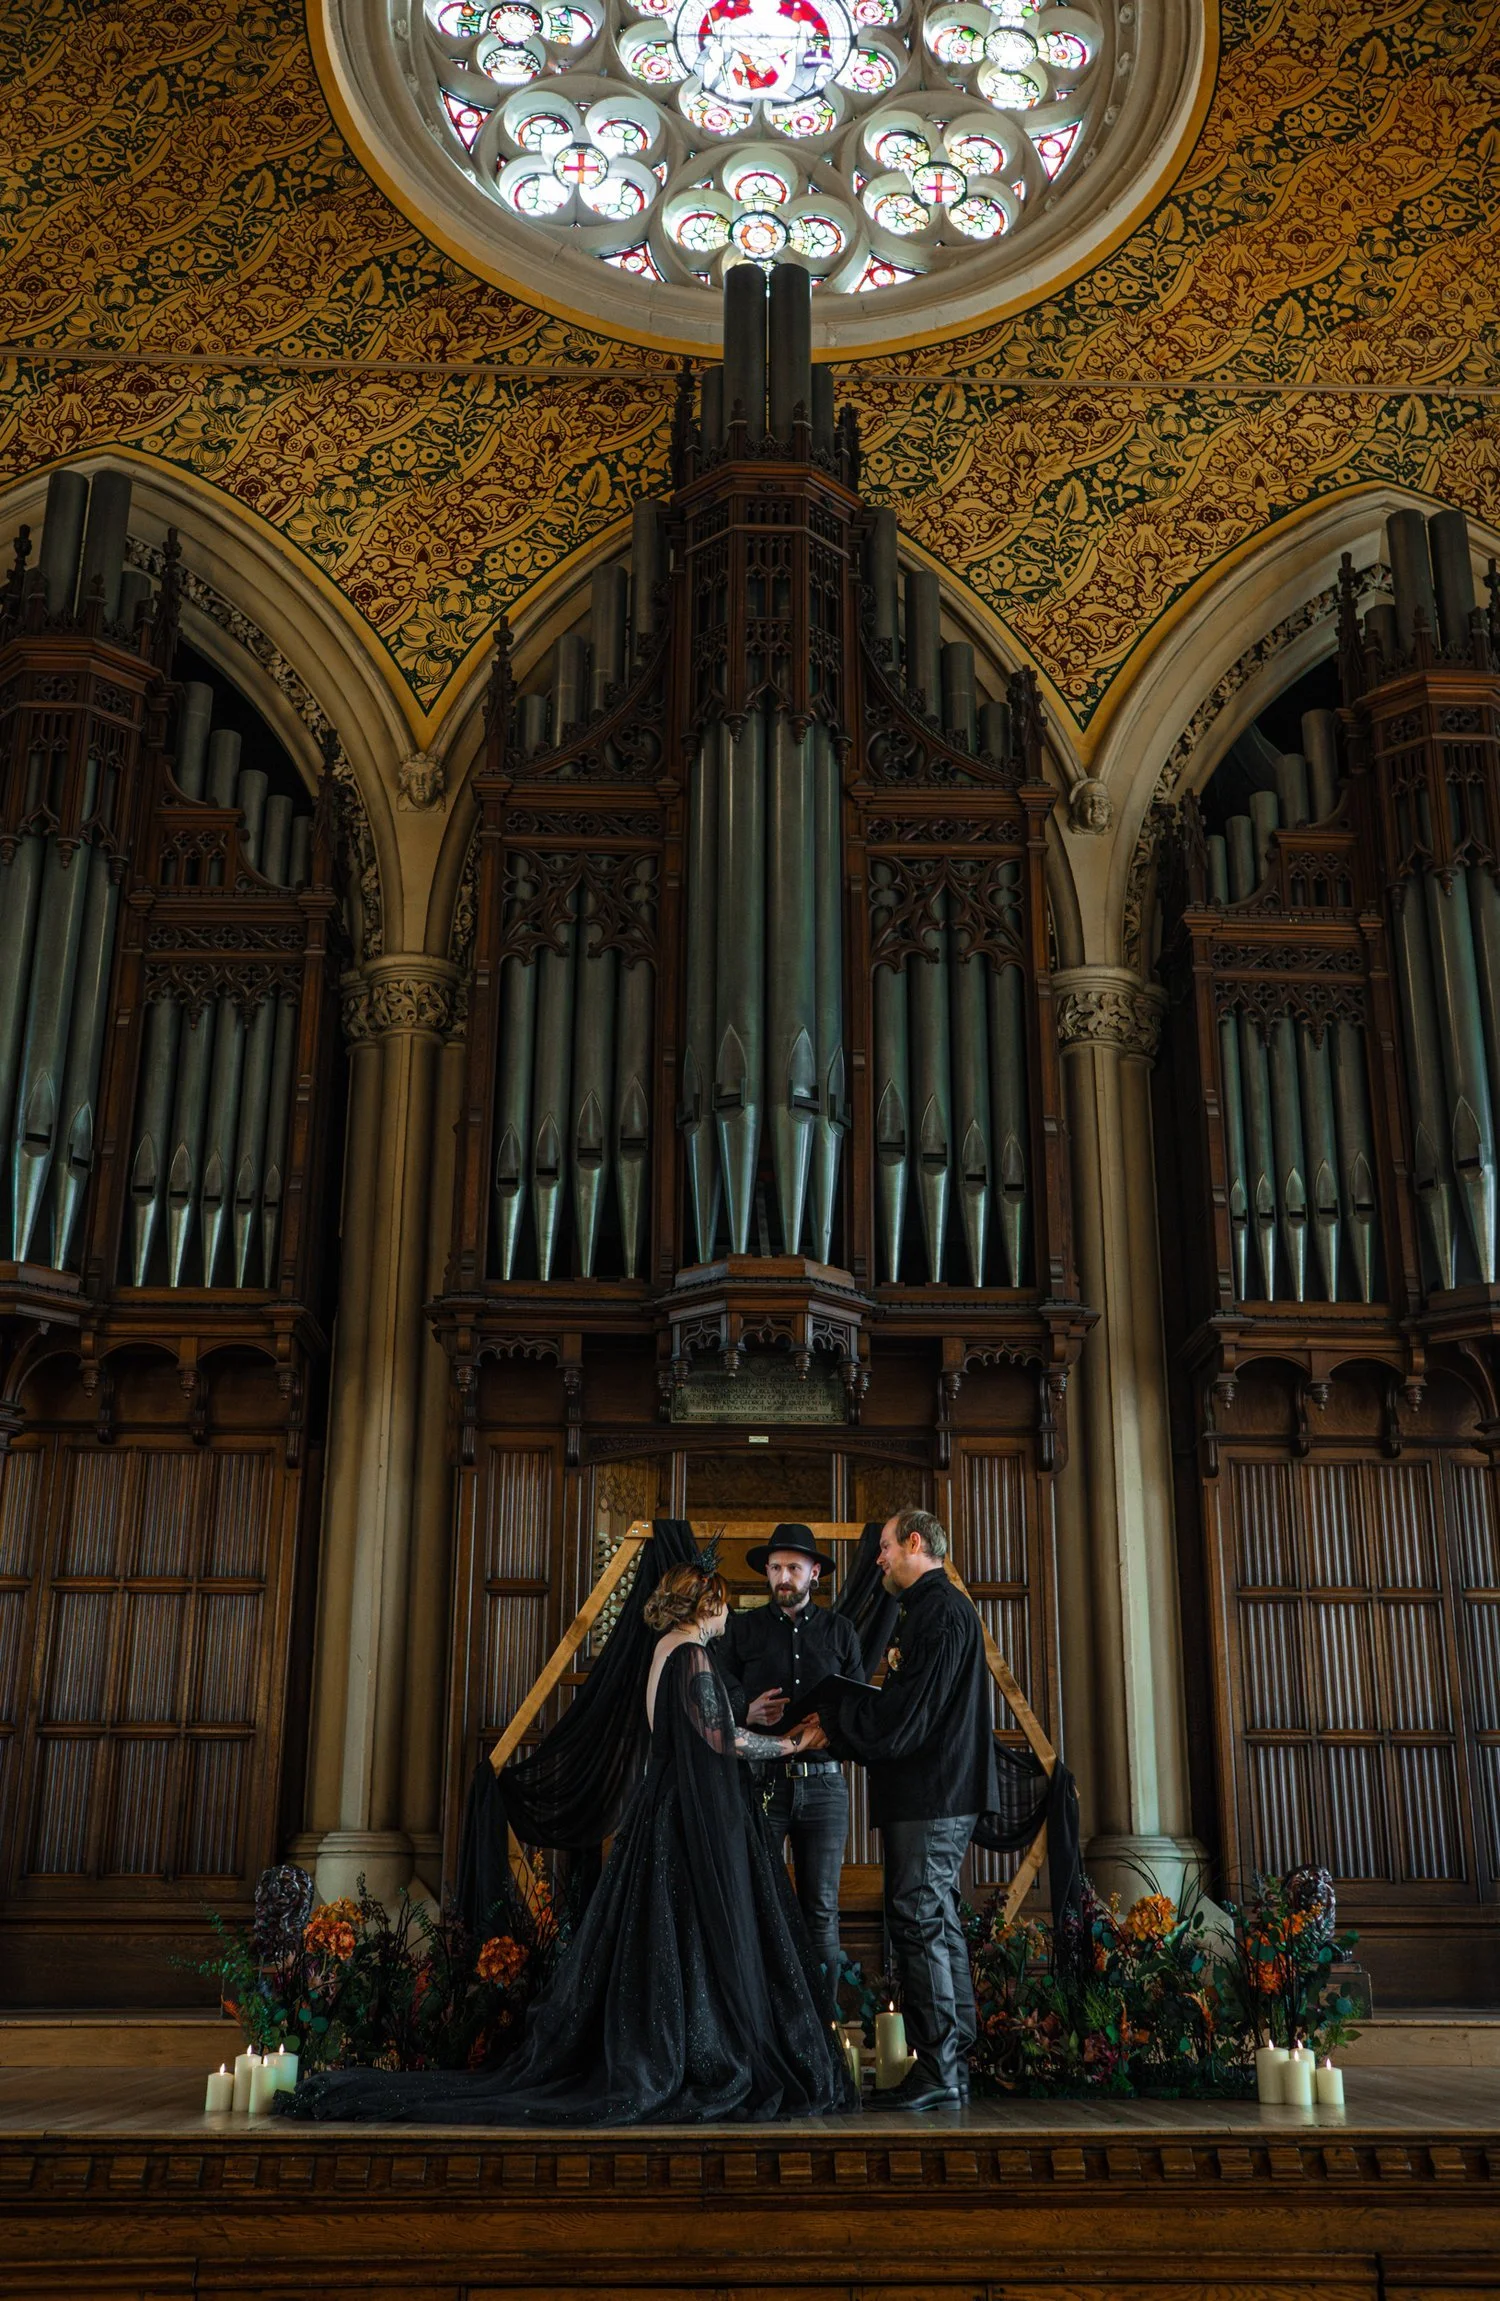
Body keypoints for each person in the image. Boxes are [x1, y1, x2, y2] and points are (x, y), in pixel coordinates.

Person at [283, 1563, 854, 2126]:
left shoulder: (663, 1652)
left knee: (674, 1941)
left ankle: (690, 2041)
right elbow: (722, 1739)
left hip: (663, 1816)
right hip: (689, 1824)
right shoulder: (693, 1654)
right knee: (697, 1938)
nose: (729, 1611)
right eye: (725, 1600)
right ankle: (701, 2052)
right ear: (705, 1604)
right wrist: (789, 1746)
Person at [801, 1507, 998, 2113]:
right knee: (932, 1916)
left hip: (932, 1795)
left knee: (917, 1918)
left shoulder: (939, 1614)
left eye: (884, 1547)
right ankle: (954, 2065)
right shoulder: (935, 1611)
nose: (878, 1558)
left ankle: (941, 2067)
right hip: (936, 1793)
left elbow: (909, 1716)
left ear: (915, 1542)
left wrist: (836, 1721)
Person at [716, 1523, 865, 2014]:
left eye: (793, 1568)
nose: (783, 1576)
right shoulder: (741, 1629)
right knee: (757, 1903)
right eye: (776, 1567)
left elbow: (859, 1712)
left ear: (814, 1573)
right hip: (761, 1788)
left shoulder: (841, 1632)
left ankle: (820, 2030)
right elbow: (711, 1701)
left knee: (821, 1912)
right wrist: (745, 1712)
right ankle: (766, 2028)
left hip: (824, 1790)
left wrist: (831, 1725)